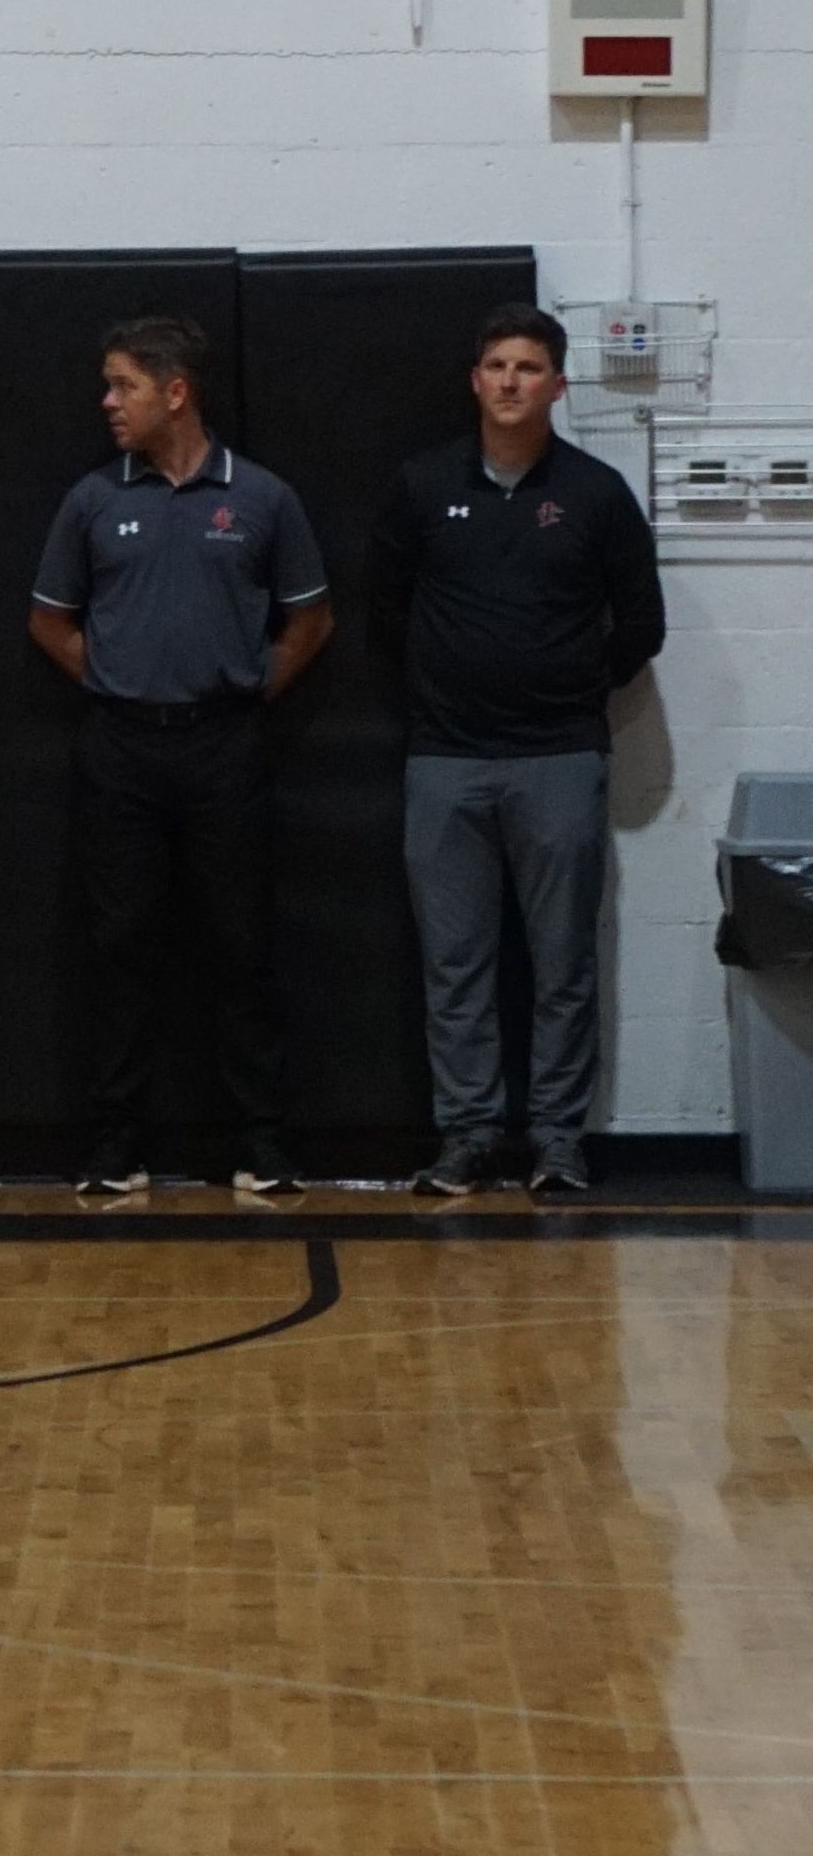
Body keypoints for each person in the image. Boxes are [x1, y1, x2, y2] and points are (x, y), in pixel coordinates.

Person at [29, 315, 333, 1196]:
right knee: (119, 945)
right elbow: (49, 621)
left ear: (176, 392)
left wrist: (247, 688)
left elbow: (311, 619)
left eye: (123, 385)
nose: (108, 402)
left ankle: (260, 1143)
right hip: (120, 750)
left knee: (241, 946)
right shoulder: (93, 500)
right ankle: (114, 1146)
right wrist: (118, 680)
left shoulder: (263, 498)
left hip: (225, 746)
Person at [372, 303, 665, 1197]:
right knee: (454, 965)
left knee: (562, 964)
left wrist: (569, 689)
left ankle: (558, 1142)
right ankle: (467, 1137)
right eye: (496, 366)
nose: (510, 381)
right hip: (446, 761)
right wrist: (441, 691)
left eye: (528, 368)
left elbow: (641, 624)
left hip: (559, 760)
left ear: (558, 385)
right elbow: (384, 611)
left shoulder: (596, 493)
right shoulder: (423, 485)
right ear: (475, 380)